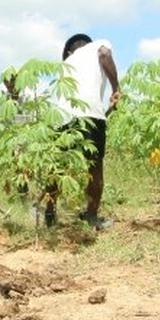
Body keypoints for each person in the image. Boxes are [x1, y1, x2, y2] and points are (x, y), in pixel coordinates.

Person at [44, 33, 121, 229]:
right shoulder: (98, 45)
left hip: (62, 118)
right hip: (89, 116)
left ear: (69, 51)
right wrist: (116, 88)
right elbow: (104, 54)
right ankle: (91, 216)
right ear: (88, 45)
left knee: (58, 169)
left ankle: (49, 214)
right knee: (94, 168)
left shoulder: (66, 64)